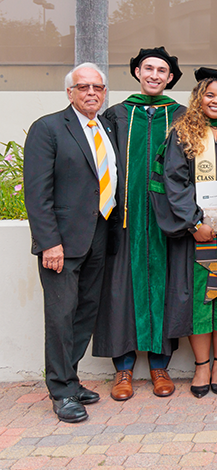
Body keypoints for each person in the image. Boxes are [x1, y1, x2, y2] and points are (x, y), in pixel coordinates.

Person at [149, 67, 217, 398]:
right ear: (198, 98)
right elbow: (173, 182)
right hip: (198, 232)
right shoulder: (182, 133)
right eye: (210, 95)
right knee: (197, 299)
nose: (216, 101)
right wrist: (194, 223)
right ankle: (202, 365)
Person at [23, 63, 118, 423]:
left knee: (84, 314)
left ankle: (71, 378)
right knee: (61, 317)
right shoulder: (48, 128)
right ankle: (61, 392)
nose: (91, 93)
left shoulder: (106, 126)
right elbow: (38, 193)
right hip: (62, 242)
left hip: (99, 236)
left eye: (98, 87)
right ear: (70, 92)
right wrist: (49, 243)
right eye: (83, 87)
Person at [93, 46, 186, 401]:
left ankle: (160, 365)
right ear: (136, 72)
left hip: (167, 223)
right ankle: (124, 370)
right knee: (120, 292)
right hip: (125, 222)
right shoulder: (116, 115)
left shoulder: (179, 116)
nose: (154, 75)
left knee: (165, 288)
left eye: (162, 71)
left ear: (170, 78)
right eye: (148, 68)